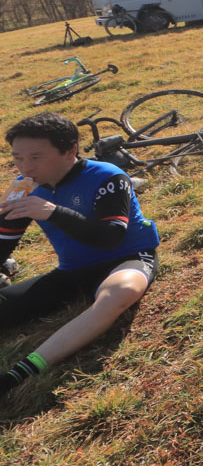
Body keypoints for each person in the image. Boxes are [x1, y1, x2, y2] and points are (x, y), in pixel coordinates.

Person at [1, 112, 160, 398]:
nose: (25, 166)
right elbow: (3, 242)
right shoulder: (22, 186)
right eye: (17, 158)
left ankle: (20, 373)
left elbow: (110, 239)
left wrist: (53, 212)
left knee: (120, 292)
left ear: (69, 151)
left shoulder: (108, 176)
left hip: (126, 257)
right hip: (72, 271)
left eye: (36, 157)